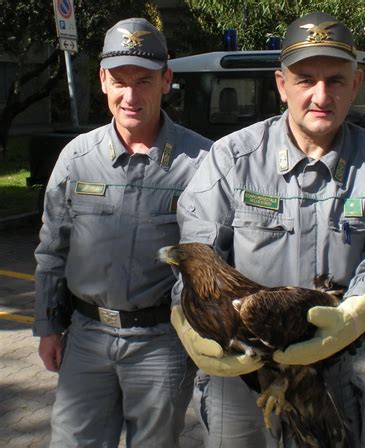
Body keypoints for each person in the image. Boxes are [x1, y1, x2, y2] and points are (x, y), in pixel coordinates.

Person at [171, 11, 365, 448]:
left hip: (327, 370)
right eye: (305, 79)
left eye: (336, 80)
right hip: (240, 377)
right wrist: (188, 320)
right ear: (281, 84)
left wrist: (359, 309)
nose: (321, 95)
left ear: (356, 85)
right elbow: (196, 254)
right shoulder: (231, 159)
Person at [33, 17, 212, 447]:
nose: (130, 95)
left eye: (144, 81)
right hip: (86, 339)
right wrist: (47, 326)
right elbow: (52, 249)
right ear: (102, 80)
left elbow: (211, 263)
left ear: (166, 80)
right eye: (120, 80)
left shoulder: (201, 163)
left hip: (161, 345)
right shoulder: (77, 159)